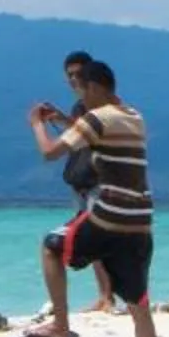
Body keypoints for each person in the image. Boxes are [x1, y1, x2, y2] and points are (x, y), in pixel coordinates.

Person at [28, 58, 157, 337]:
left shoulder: (95, 118)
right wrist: (66, 119)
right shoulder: (134, 117)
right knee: (139, 304)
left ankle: (60, 324)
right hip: (141, 221)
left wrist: (37, 125)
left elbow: (50, 152)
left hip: (108, 216)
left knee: (50, 246)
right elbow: (96, 130)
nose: (79, 97)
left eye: (81, 89)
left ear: (95, 88)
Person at [55, 51, 117, 313]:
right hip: (81, 182)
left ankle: (108, 296)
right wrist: (60, 118)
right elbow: (78, 132)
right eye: (69, 75)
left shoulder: (103, 107)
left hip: (97, 182)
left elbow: (89, 134)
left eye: (78, 74)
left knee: (99, 240)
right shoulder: (80, 108)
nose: (73, 79)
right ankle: (104, 295)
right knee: (93, 243)